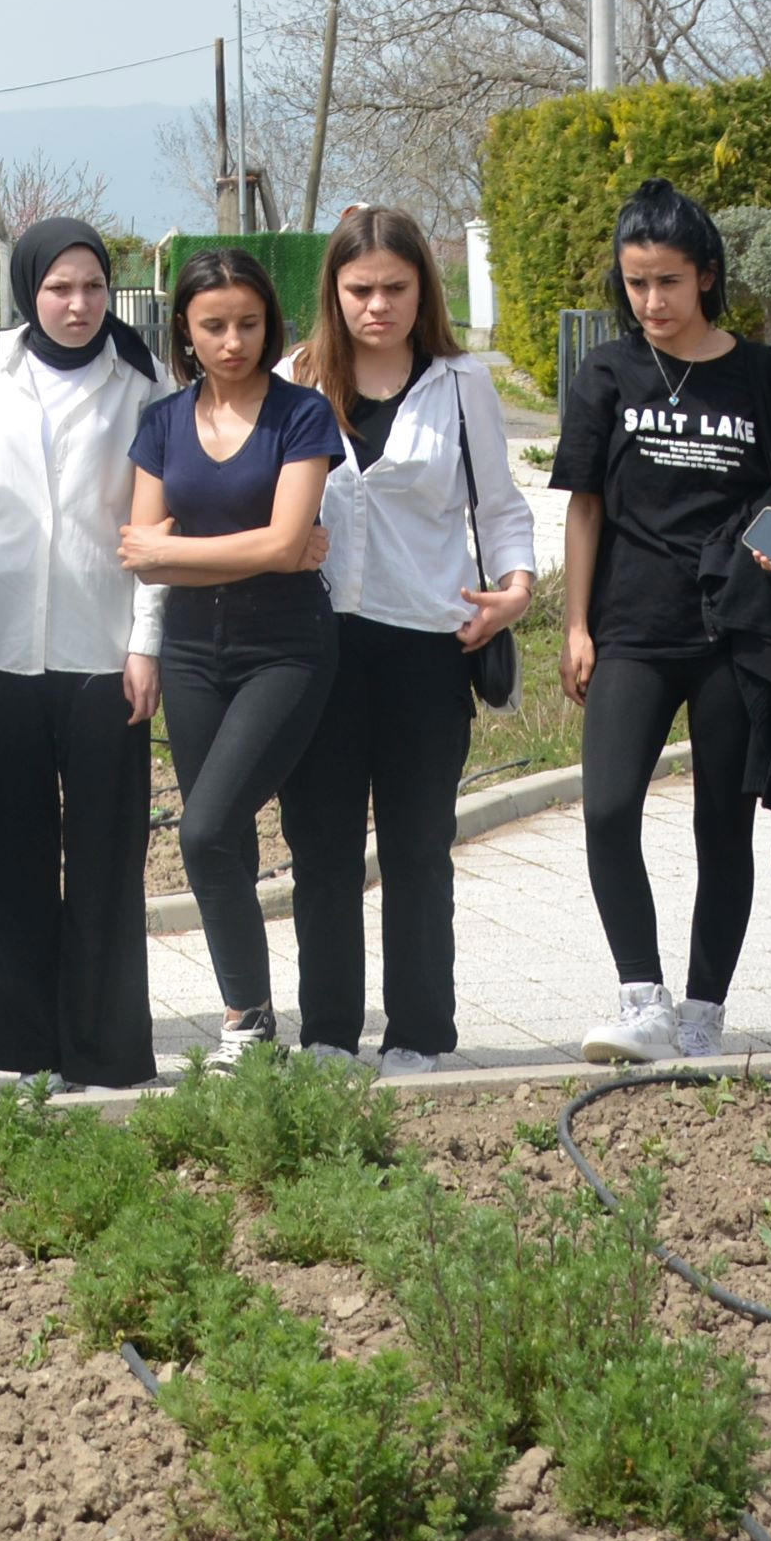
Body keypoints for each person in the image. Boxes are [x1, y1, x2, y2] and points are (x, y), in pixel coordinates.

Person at [553, 180, 771, 1068]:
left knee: (723, 826)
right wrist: (575, 624)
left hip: (733, 631)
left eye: (669, 281)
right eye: (636, 282)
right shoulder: (607, 372)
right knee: (608, 807)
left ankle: (703, 1012)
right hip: (632, 627)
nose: (652, 301)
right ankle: (642, 998)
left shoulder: (760, 372)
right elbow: (585, 506)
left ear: (706, 275)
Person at [0, 216, 171, 1092]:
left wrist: (146, 640)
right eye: (60, 287)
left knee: (106, 853)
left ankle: (105, 1051)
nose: (78, 303)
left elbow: (156, 520)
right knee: (8, 851)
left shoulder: (141, 375)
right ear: (30, 288)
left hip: (105, 647)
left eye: (93, 286)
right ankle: (26, 1048)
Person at [294, 207, 534, 1075]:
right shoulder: (296, 378)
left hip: (428, 645)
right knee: (322, 849)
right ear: (334, 291)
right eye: (360, 288)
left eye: (395, 287)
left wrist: (516, 590)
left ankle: (420, 1031)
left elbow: (501, 507)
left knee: (418, 848)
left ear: (422, 289)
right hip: (318, 648)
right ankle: (327, 1031)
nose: (378, 305)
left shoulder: (461, 384)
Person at [126, 245, 349, 1067]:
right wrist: (256, 549)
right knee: (224, 843)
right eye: (214, 325)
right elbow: (142, 556)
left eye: (248, 324)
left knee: (204, 827)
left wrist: (184, 549)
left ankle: (250, 1020)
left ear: (270, 324)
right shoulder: (161, 422)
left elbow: (289, 543)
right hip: (190, 651)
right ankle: (252, 1022)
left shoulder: (303, 415)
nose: (232, 341)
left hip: (285, 648)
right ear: (184, 329)